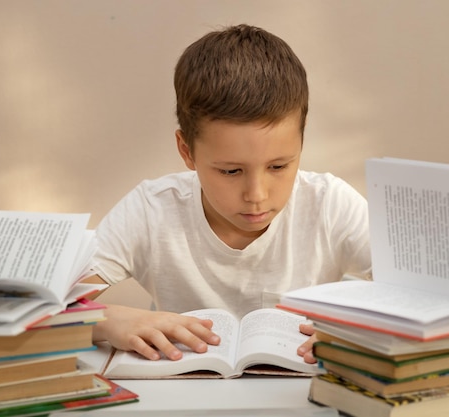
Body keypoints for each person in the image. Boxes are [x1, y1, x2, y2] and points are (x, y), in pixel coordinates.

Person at [89, 24, 371, 365]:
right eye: (230, 171)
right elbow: (36, 308)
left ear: (301, 141)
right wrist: (106, 321)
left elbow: (423, 299)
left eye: (279, 166)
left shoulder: (330, 204)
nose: (256, 194)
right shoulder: (151, 209)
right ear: (187, 151)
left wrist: (359, 329)